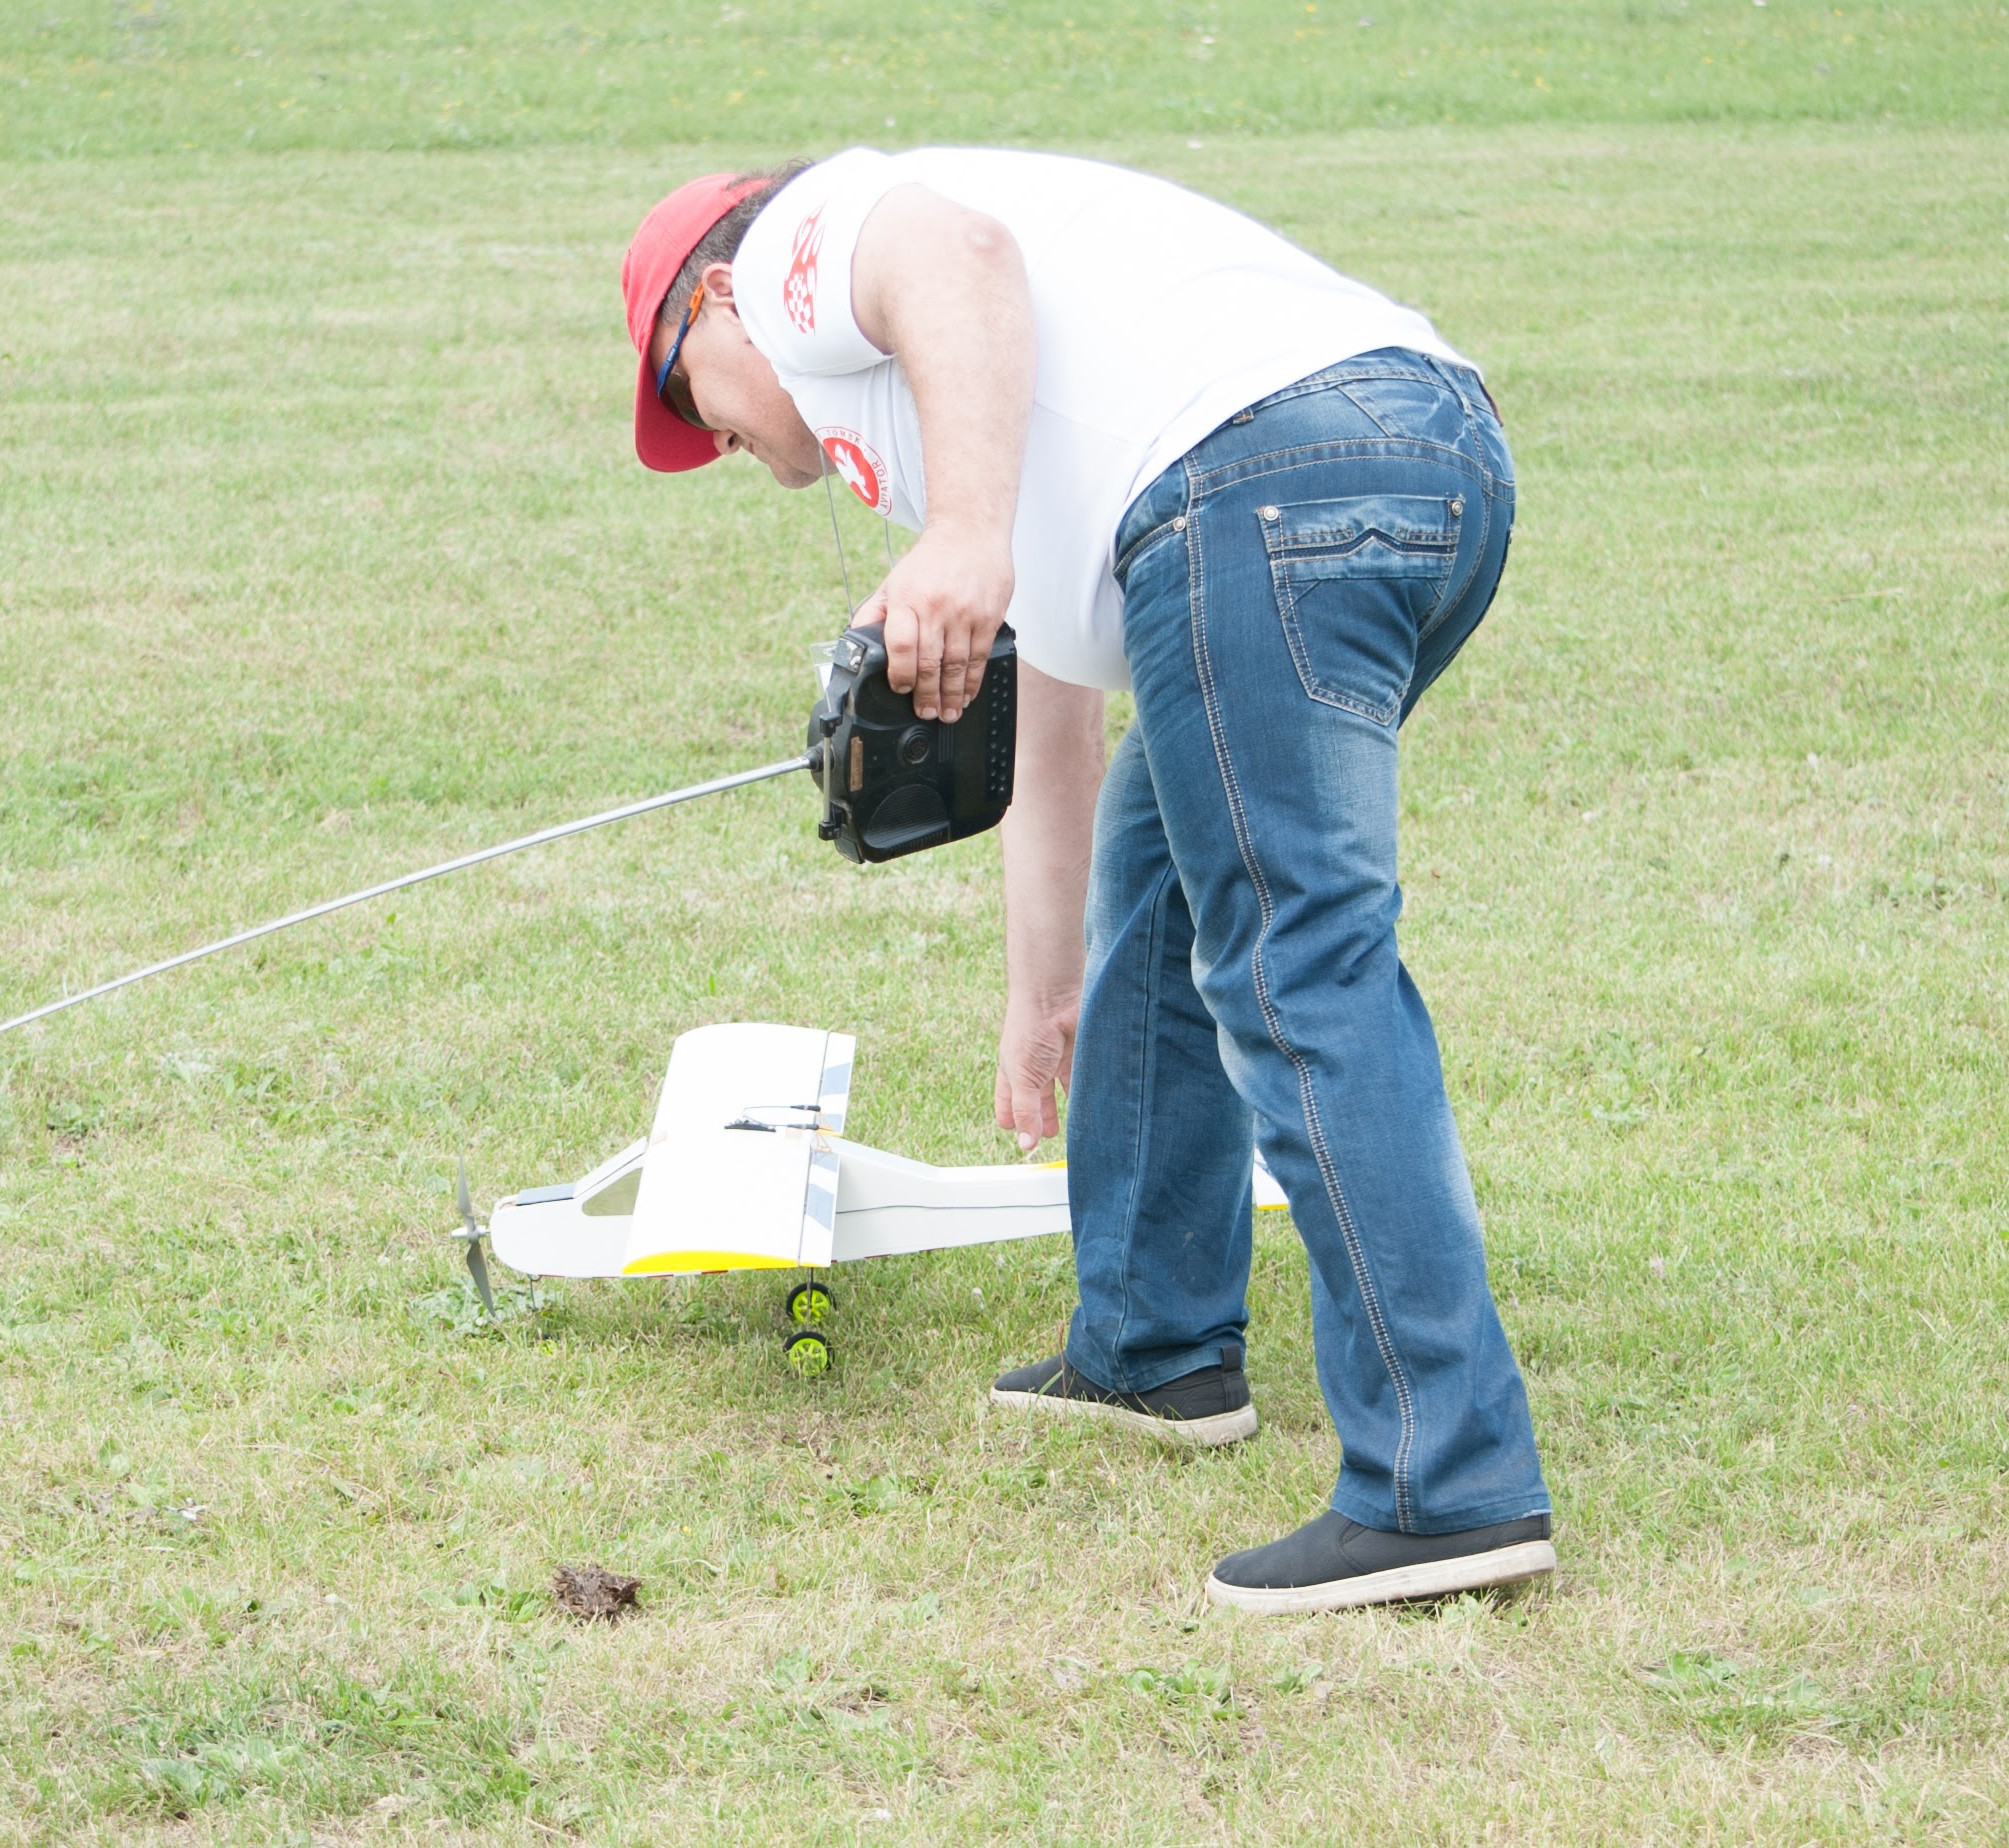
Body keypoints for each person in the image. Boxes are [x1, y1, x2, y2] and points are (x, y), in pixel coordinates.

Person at [619, 150, 1553, 1614]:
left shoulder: (808, 240)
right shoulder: (960, 426)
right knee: (1165, 878)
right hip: (1415, 460)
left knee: (1297, 966)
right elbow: (1050, 695)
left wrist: (965, 534)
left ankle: (1447, 1484)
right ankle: (1151, 1346)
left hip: (1264, 479)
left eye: (686, 391)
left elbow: (959, 256)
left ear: (723, 297)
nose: (710, 438)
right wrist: (1044, 987)